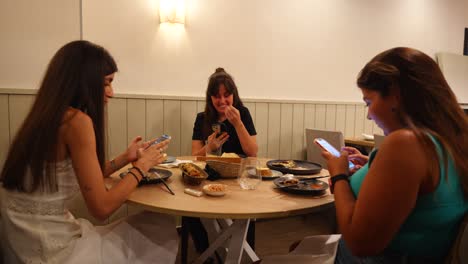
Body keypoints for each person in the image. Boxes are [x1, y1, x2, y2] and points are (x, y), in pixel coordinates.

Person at [0, 40, 178, 263]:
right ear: (83, 82)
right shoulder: (77, 122)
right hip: (49, 246)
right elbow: (102, 208)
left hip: (19, 238)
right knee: (160, 226)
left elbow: (84, 175)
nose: (111, 93)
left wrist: (125, 157)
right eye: (106, 83)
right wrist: (142, 166)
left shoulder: (46, 114)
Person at [322, 47, 468, 263]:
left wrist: (339, 176)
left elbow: (360, 244)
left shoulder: (405, 144)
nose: (369, 115)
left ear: (395, 94)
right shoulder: (453, 140)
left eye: (369, 102)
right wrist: (372, 168)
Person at [191, 67, 258, 157]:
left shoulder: (243, 113)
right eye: (217, 96)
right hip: (210, 169)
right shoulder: (201, 118)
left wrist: (238, 123)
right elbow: (194, 157)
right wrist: (209, 147)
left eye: (226, 95)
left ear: (233, 95)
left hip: (238, 169)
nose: (222, 101)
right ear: (210, 98)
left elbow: (253, 153)